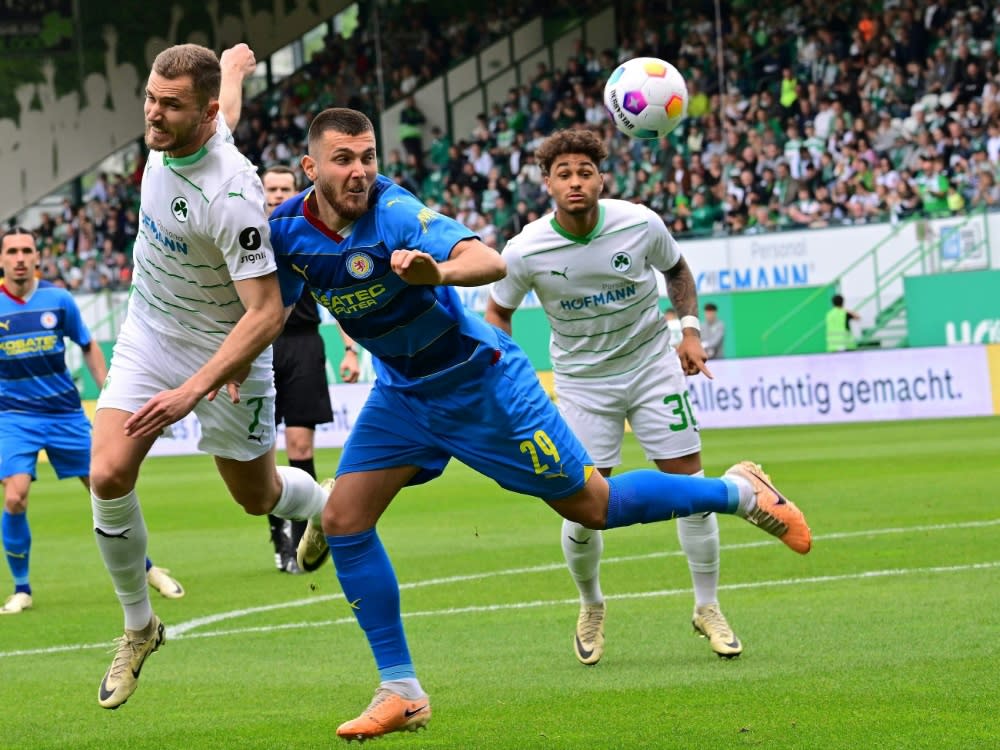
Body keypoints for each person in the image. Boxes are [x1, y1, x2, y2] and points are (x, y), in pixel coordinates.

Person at [268, 107, 812, 742]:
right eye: (344, 159)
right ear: (311, 167)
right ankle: (402, 690)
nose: (360, 171)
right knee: (344, 521)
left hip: (480, 384)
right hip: (403, 393)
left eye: (368, 157)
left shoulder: (393, 210)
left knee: (592, 506)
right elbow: (269, 309)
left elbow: (488, 262)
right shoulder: (285, 230)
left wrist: (436, 271)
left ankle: (741, 492)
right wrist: (229, 370)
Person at [88, 43, 330, 710]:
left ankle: (325, 504)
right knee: (108, 473)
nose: (154, 115)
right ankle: (140, 627)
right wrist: (233, 66)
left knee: (257, 497)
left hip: (224, 350)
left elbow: (267, 312)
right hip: (149, 333)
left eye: (170, 106)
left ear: (201, 115)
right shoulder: (187, 129)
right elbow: (226, 105)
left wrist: (198, 385)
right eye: (151, 99)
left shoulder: (233, 194)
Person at [485, 128, 741, 665]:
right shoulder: (526, 249)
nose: (575, 182)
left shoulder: (639, 222)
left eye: (584, 172)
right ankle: (591, 603)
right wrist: (507, 375)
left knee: (690, 486)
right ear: (547, 184)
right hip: (582, 384)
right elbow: (499, 314)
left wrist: (690, 331)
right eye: (564, 174)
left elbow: (677, 270)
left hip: (652, 367)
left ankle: (708, 606)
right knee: (583, 506)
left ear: (601, 178)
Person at [0, 228, 184, 615]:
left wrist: (109, 397)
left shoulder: (59, 300)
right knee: (14, 496)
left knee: (107, 487)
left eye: (27, 251)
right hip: (14, 417)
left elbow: (88, 346)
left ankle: (148, 568)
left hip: (65, 413)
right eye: (12, 251)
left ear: (37, 257)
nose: (20, 258)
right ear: (2, 259)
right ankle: (22, 589)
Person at [259, 165, 360, 574]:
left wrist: (349, 350)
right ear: (260, 192)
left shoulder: (306, 233)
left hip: (302, 345)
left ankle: (303, 537)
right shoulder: (244, 234)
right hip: (259, 346)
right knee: (261, 453)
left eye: (285, 187)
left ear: (294, 189)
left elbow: (334, 293)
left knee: (301, 448)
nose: (277, 193)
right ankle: (278, 538)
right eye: (271, 188)